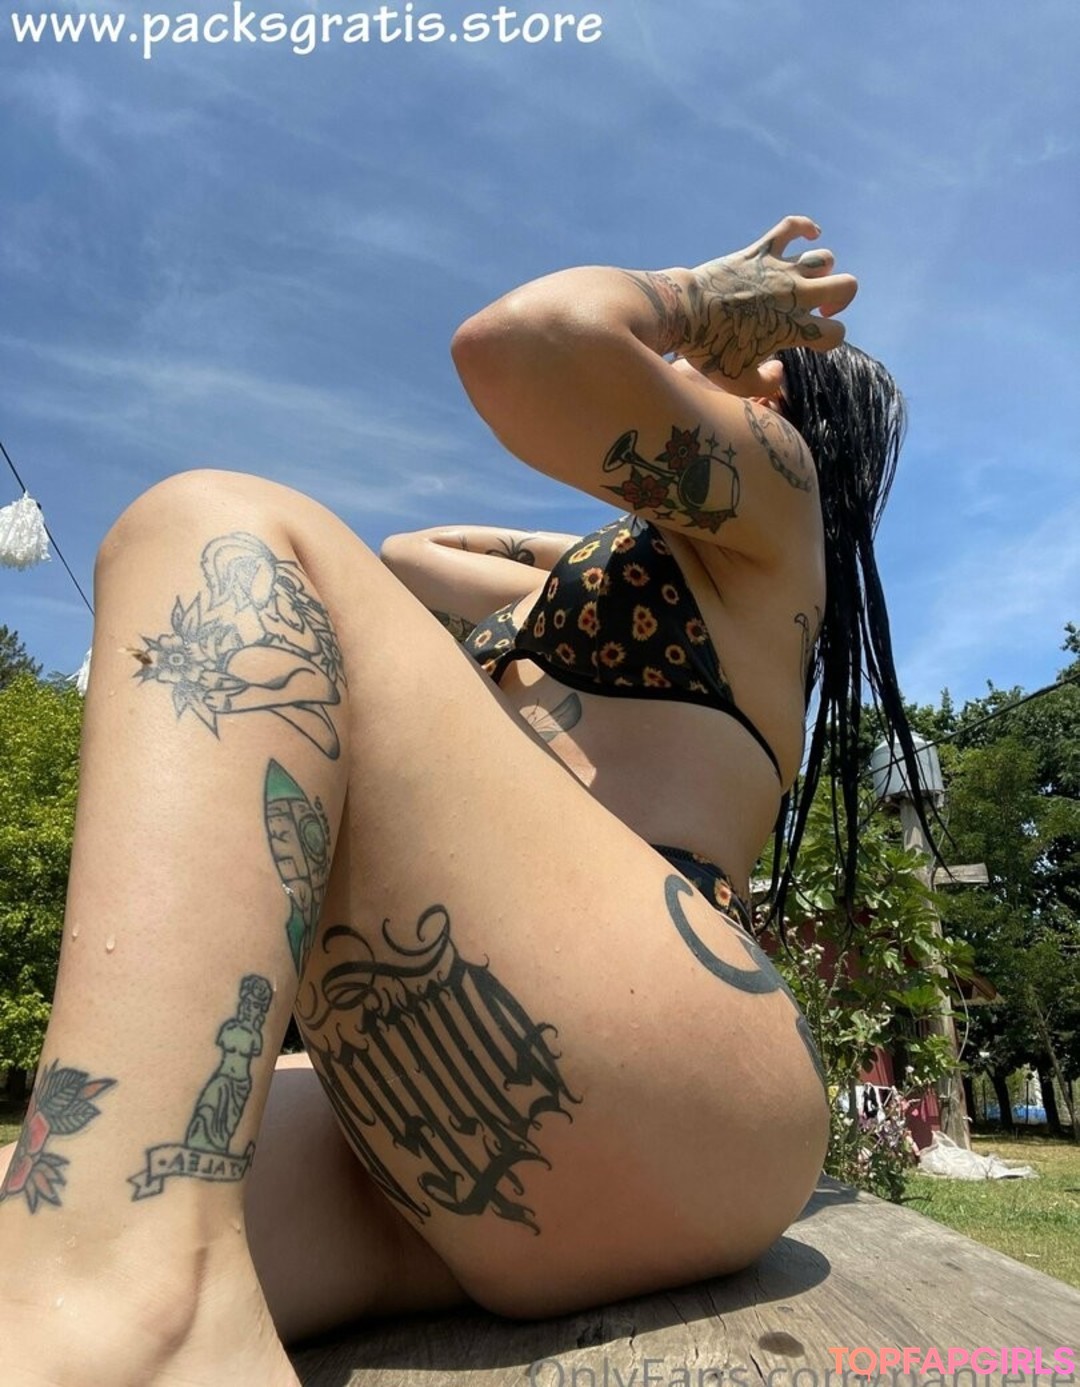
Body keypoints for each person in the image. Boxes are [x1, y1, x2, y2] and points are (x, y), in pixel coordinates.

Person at [0, 216, 927, 1387]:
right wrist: (582, 553)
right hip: (514, 1132)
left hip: (648, 1040)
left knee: (208, 525)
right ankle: (140, 1291)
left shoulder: (778, 514)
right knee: (57, 1217)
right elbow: (408, 555)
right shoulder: (624, 577)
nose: (684, 372)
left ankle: (152, 1310)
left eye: (717, 364)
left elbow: (527, 343)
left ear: (777, 386)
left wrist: (697, 299)